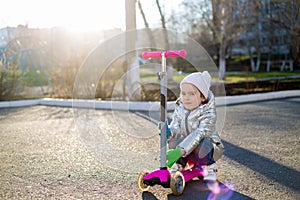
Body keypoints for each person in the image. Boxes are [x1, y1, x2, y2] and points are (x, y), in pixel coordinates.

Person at [166, 71, 224, 182]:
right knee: (174, 139)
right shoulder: (180, 109)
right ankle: (179, 165)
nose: (186, 98)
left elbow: (199, 133)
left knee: (203, 141)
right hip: (188, 150)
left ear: (202, 97)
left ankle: (209, 168)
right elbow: (176, 126)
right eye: (183, 93)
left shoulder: (209, 114)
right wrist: (170, 132)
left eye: (192, 94)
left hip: (209, 149)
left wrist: (179, 151)